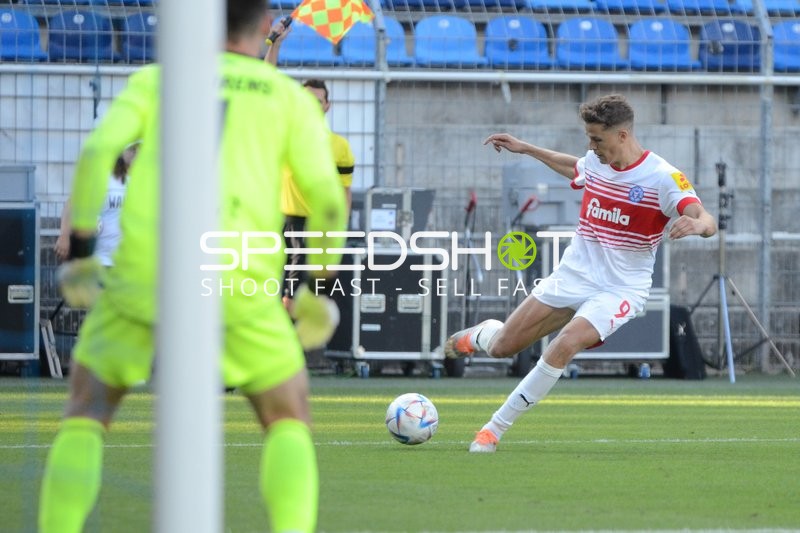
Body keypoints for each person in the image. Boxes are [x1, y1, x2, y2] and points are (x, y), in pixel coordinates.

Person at [38, 2, 347, 533]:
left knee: (87, 412)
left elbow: (98, 152)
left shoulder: (157, 81)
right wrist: (318, 284)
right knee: (287, 416)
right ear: (262, 21)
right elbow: (326, 197)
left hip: (145, 272)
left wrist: (85, 256)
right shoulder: (286, 99)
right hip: (240, 278)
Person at [446, 94, 717, 453]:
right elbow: (576, 167)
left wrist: (697, 227)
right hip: (573, 275)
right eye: (589, 138)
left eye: (596, 139)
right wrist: (525, 148)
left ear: (622, 135)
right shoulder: (596, 160)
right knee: (502, 348)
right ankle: (484, 335)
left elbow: (706, 219)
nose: (591, 146)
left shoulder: (663, 178)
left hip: (620, 289)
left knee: (566, 343)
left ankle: (492, 430)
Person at [264, 22, 356, 296]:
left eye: (318, 101)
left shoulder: (339, 147)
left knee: (303, 296)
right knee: (277, 293)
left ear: (327, 106)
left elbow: (344, 192)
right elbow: (266, 84)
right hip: (279, 222)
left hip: (316, 228)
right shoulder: (284, 130)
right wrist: (276, 44)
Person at [54, 143, 138, 267]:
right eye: (132, 149)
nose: (136, 153)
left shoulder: (140, 182)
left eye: (138, 149)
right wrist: (64, 236)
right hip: (98, 262)